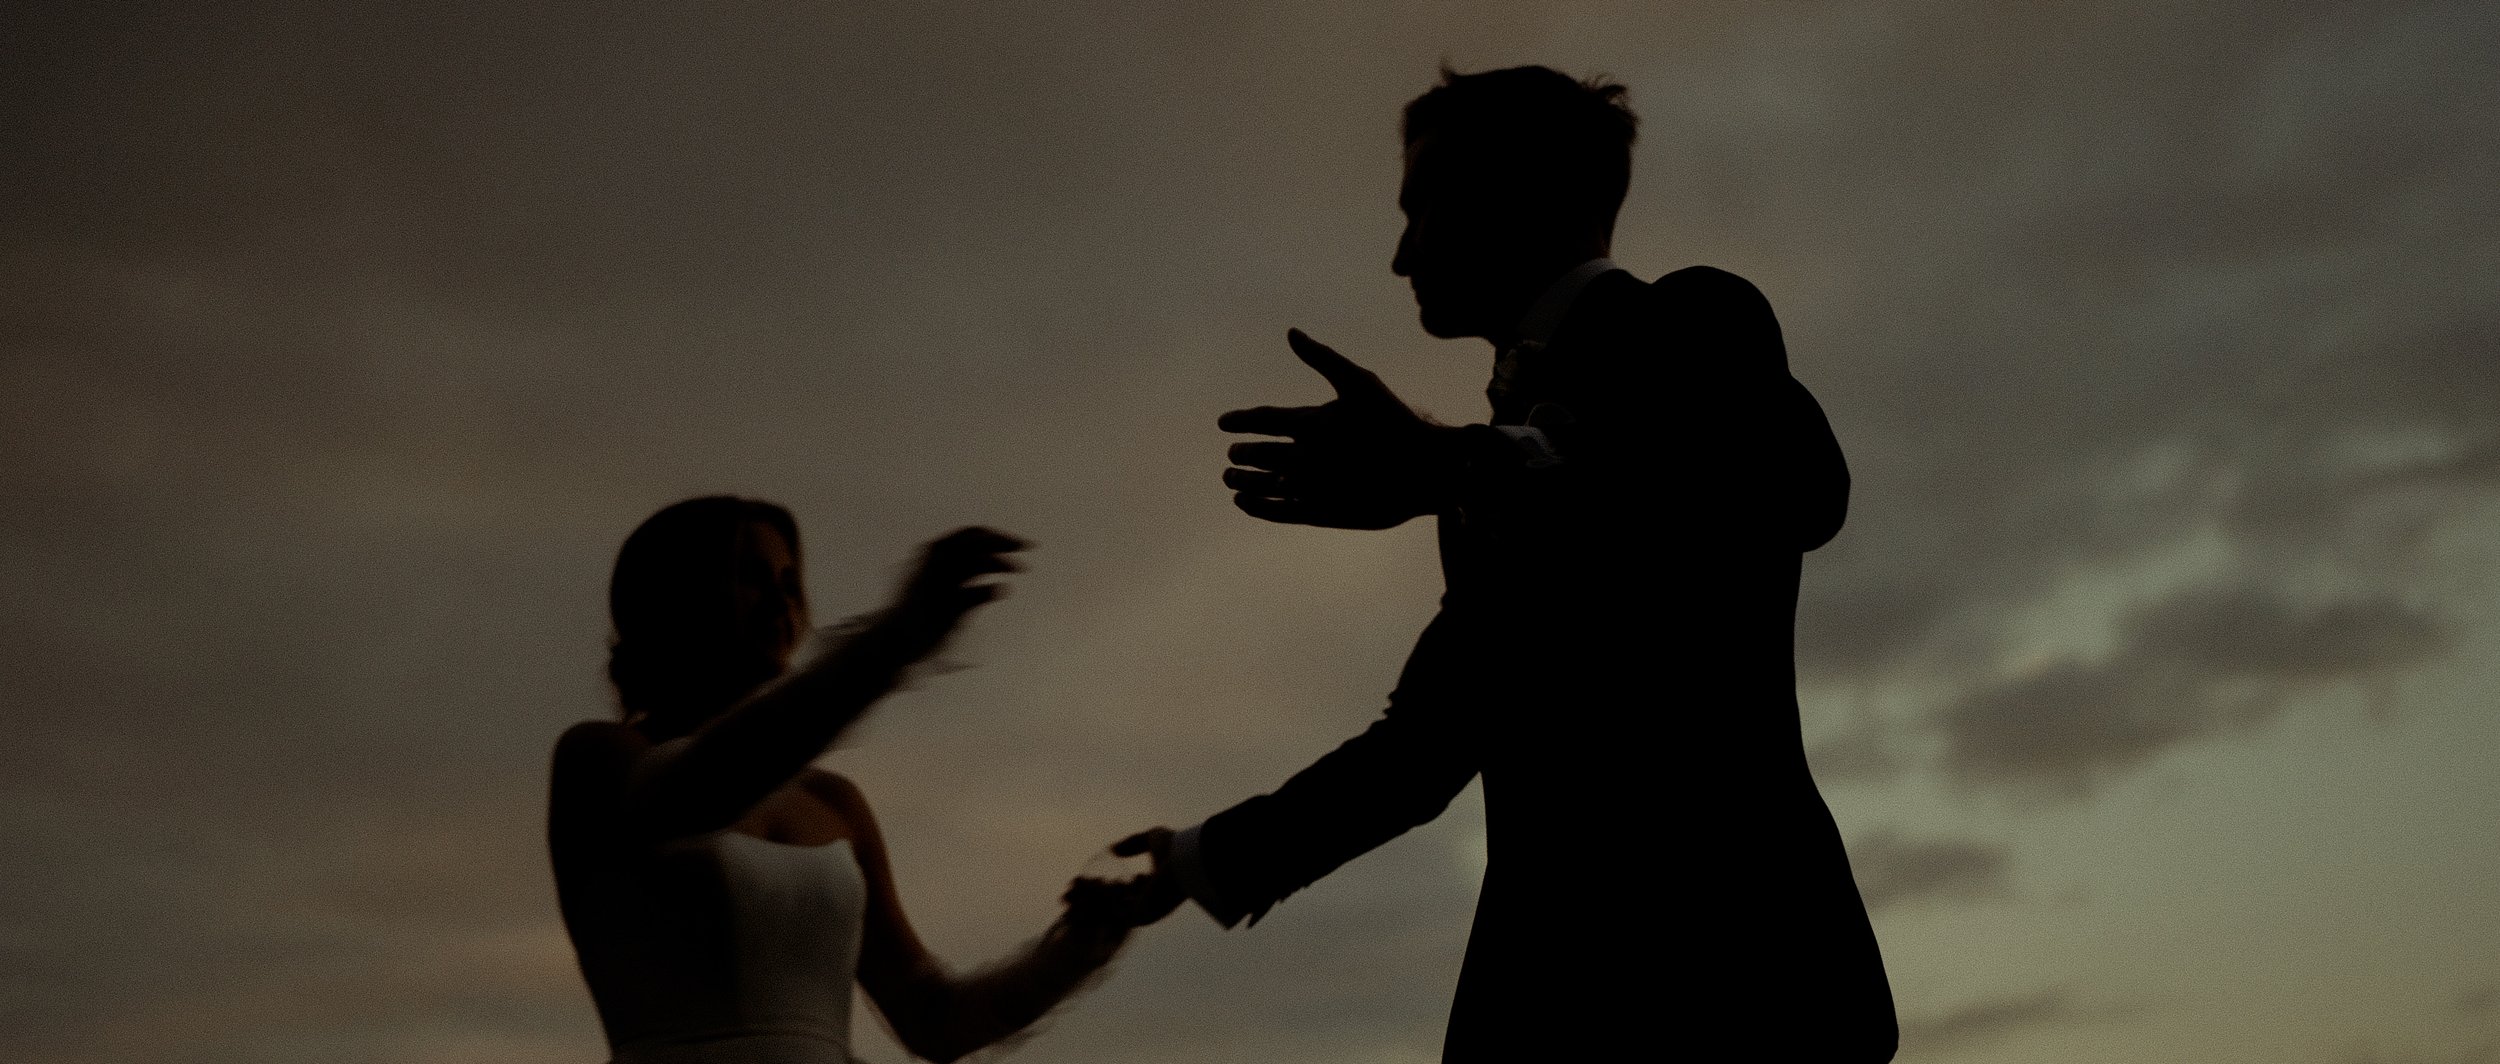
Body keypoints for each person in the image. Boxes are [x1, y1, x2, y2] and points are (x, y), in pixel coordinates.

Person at [1112, 66, 1899, 1061]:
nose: (1400, 253)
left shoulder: (1696, 320)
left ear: (1531, 194)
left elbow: (1797, 486)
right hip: (1547, 1009)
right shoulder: (1480, 472)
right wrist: (1196, 861)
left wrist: (1451, 463)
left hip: (1748, 991)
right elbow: (1429, 742)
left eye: (1423, 204)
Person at [549, 496, 1155, 1064]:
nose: (782, 600)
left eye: (792, 582)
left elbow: (932, 1017)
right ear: (676, 595)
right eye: (751, 577)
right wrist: (892, 642)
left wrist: (1079, 947)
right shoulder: (601, 758)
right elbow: (700, 789)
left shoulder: (834, 803)